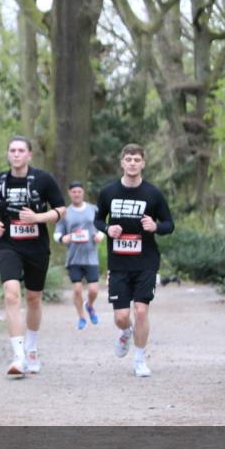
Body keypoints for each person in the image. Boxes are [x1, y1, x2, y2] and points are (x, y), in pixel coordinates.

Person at [0, 136, 66, 378]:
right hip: (8, 245)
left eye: (21, 151)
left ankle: (31, 348)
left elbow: (61, 210)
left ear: (29, 155)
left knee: (33, 298)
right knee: (11, 295)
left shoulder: (43, 179)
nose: (16, 154)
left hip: (36, 247)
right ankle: (18, 356)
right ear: (8, 154)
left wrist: (38, 219)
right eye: (12, 150)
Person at [93, 144, 175, 377]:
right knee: (121, 316)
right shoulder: (108, 192)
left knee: (140, 311)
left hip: (146, 261)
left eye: (136, 159)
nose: (132, 163)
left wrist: (156, 226)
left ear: (143, 163)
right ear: (122, 162)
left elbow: (169, 224)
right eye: (128, 159)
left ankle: (139, 360)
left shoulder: (153, 194)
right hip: (119, 263)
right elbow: (97, 220)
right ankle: (125, 331)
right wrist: (108, 229)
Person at [54, 181, 105, 330]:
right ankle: (82, 317)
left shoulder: (93, 209)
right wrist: (63, 238)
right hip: (73, 257)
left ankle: (89, 305)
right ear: (70, 194)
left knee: (94, 290)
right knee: (76, 290)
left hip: (90, 256)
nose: (76, 194)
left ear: (83, 193)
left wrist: (100, 235)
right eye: (73, 191)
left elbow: (102, 226)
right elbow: (57, 233)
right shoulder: (65, 212)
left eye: (79, 191)